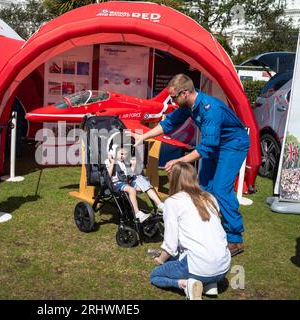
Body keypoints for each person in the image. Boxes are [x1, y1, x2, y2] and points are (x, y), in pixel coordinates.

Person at [135, 74, 250, 256]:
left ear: (185, 93)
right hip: (216, 144)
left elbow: (206, 147)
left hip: (232, 145)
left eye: (173, 97)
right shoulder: (188, 105)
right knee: (203, 187)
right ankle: (208, 228)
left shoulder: (210, 109)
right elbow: (169, 123)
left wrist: (178, 161)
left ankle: (235, 239)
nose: (172, 101)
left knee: (220, 189)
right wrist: (143, 136)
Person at [150, 162, 231, 300]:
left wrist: (160, 259)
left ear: (174, 179)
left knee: (156, 275)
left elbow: (170, 244)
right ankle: (210, 285)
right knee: (193, 256)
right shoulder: (210, 197)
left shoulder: (172, 202)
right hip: (224, 267)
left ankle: (186, 284)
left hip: (199, 266)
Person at [105, 144, 164, 222]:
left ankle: (160, 204)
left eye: (125, 154)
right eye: (121, 154)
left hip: (126, 181)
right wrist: (112, 162)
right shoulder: (109, 161)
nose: (123, 156)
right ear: (114, 153)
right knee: (132, 190)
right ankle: (137, 213)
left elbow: (129, 175)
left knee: (145, 184)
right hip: (116, 183)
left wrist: (133, 165)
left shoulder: (124, 163)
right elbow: (107, 175)